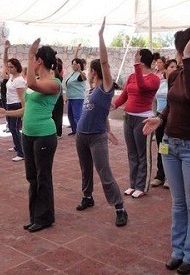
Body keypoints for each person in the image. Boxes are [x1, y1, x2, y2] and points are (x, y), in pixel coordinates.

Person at [143, 28, 190, 274]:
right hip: (170, 144)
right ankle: (178, 251)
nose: (176, 51)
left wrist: (187, 57)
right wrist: (160, 118)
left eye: (180, 47)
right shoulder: (175, 75)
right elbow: (173, 104)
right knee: (178, 203)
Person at [0, 38, 61, 233]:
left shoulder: (54, 84)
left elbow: (29, 81)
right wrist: (5, 113)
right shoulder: (36, 82)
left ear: (39, 61)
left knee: (43, 176)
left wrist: (30, 55)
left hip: (44, 135)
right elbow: (26, 109)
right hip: (28, 134)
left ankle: (45, 217)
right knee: (32, 177)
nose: (31, 63)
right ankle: (35, 215)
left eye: (34, 60)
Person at [74, 18, 128, 227]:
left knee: (104, 172)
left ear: (95, 70)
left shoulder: (106, 87)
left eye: (89, 70)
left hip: (96, 137)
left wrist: (101, 36)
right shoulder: (91, 89)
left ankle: (120, 207)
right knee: (85, 169)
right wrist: (109, 129)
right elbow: (102, 112)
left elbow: (105, 62)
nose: (87, 72)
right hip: (82, 135)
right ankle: (87, 197)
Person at [112, 48, 160, 198]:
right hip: (129, 117)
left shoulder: (154, 78)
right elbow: (125, 94)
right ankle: (133, 184)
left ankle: (142, 186)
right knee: (132, 153)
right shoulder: (133, 76)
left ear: (141, 61)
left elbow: (142, 87)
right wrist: (113, 105)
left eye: (136, 59)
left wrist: (136, 66)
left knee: (142, 154)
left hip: (143, 119)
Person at [150, 59, 177, 189]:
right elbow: (154, 100)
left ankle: (170, 177)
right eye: (171, 67)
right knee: (161, 147)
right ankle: (160, 175)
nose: (174, 69)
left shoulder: (178, 84)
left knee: (170, 147)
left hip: (173, 119)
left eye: (175, 67)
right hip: (160, 118)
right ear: (166, 69)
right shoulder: (161, 83)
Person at [3, 40, 26, 162]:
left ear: (17, 67)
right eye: (9, 67)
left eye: (12, 67)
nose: (9, 68)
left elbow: (22, 98)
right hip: (9, 104)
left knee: (14, 128)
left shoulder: (19, 80)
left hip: (16, 105)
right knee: (12, 128)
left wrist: (23, 113)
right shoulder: (12, 77)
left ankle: (22, 153)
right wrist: (6, 49)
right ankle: (18, 146)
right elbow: (4, 63)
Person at [65, 44, 87, 136]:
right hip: (71, 98)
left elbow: (84, 78)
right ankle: (75, 131)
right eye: (73, 64)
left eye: (75, 64)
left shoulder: (80, 74)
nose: (73, 65)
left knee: (77, 116)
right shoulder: (72, 73)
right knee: (70, 116)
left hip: (78, 98)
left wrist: (80, 70)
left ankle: (81, 133)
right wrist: (76, 51)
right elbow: (75, 59)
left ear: (79, 65)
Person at [52, 57, 64, 138]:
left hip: (58, 98)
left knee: (58, 115)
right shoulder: (53, 77)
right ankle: (54, 132)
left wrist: (54, 64)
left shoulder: (59, 78)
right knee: (53, 115)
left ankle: (58, 133)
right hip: (54, 98)